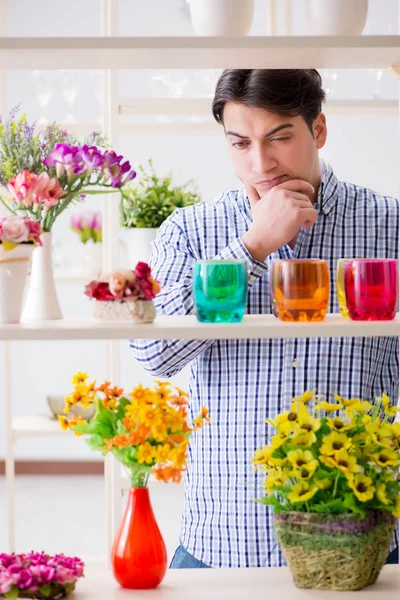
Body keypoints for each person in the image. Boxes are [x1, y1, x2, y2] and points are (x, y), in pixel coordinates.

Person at [131, 69, 399, 568]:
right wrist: (253, 247)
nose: (260, 163)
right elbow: (153, 353)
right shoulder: (190, 232)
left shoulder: (391, 225)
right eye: (240, 144)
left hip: (361, 537)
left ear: (318, 129)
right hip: (223, 541)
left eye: (279, 138)